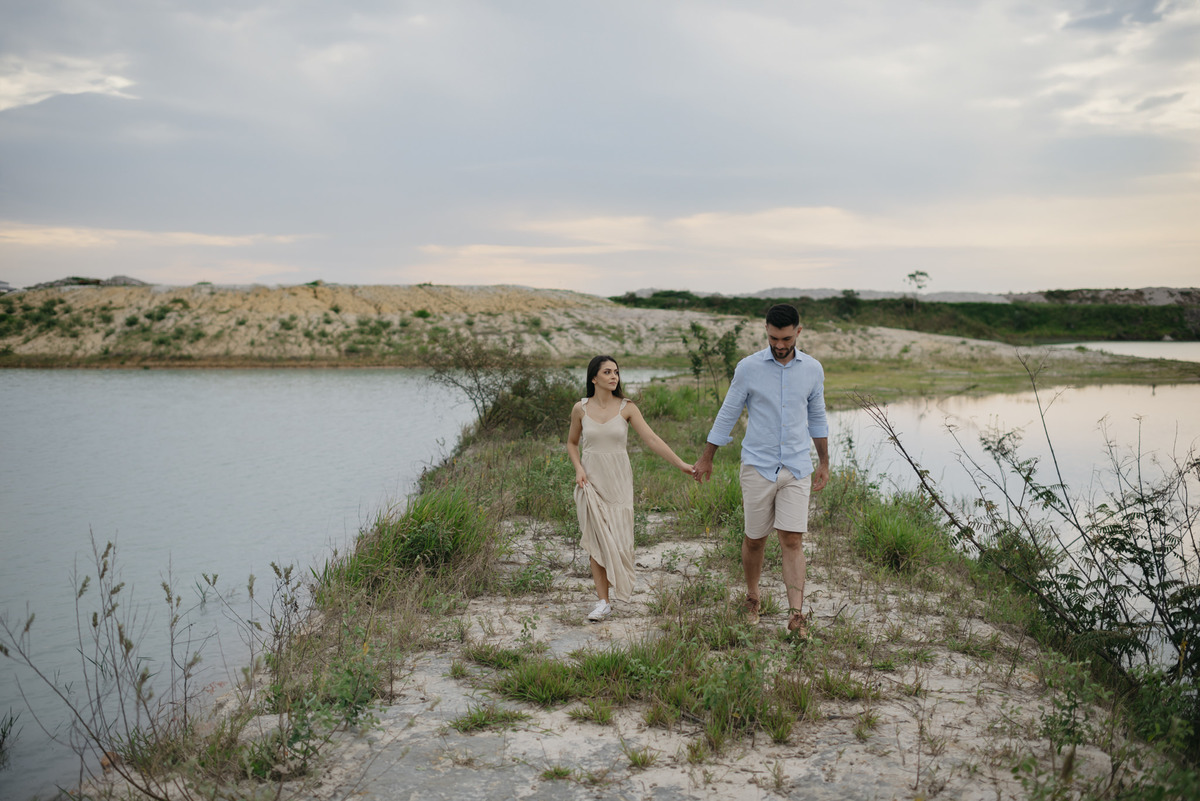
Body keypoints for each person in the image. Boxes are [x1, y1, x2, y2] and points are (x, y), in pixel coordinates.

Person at [693, 304, 829, 637]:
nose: (779, 344)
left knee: (792, 539)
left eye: (785, 338)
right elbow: (727, 413)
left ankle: (796, 615)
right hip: (758, 465)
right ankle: (752, 597)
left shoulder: (813, 369)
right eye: (772, 337)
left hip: (797, 465)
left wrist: (823, 461)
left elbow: (818, 417)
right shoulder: (748, 368)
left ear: (799, 331)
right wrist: (707, 456)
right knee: (755, 540)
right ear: (765, 330)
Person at [568, 355, 695, 621]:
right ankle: (603, 602)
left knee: (618, 540)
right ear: (594, 378)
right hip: (591, 481)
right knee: (596, 542)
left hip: (618, 482)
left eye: (616, 372)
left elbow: (651, 439)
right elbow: (572, 443)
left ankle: (617, 588)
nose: (614, 376)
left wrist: (681, 464)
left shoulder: (627, 407)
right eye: (607, 372)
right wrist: (579, 469)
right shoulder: (580, 408)